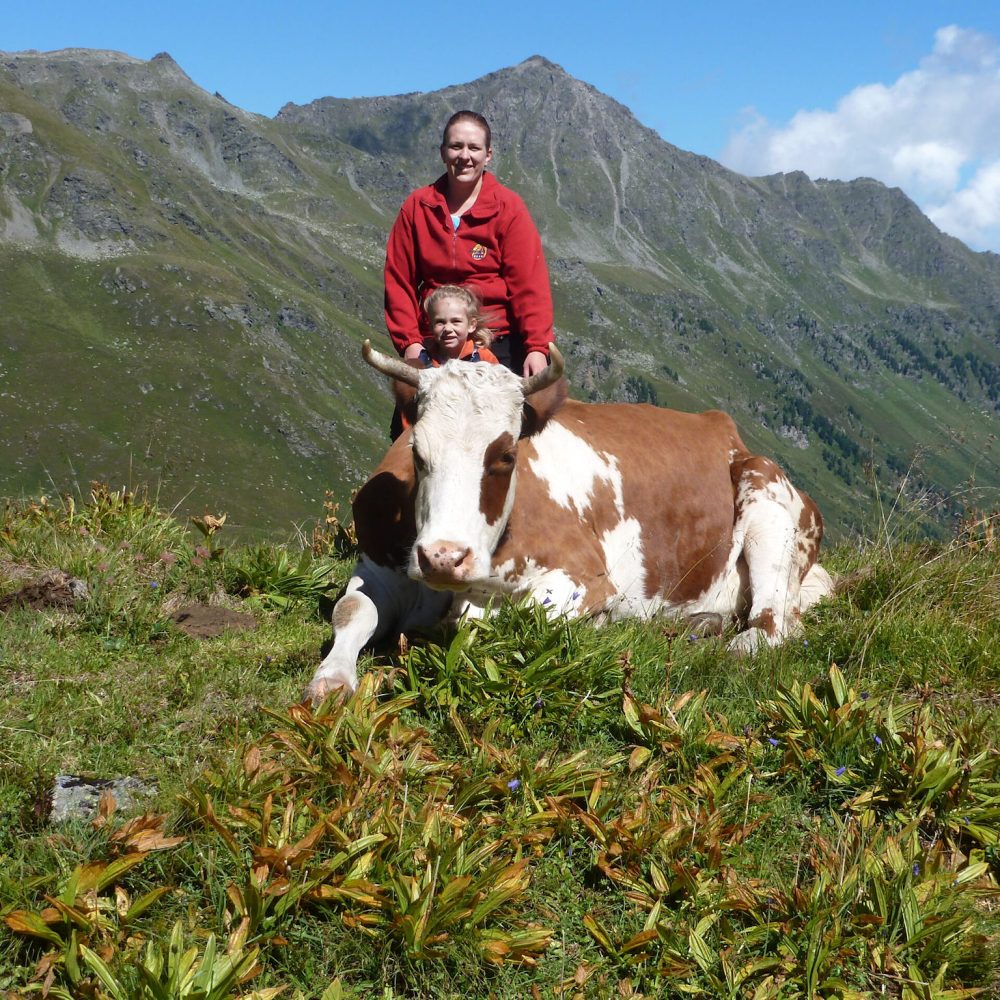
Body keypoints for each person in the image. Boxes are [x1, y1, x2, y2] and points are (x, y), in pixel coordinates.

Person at [384, 110, 554, 381]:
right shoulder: (417, 207)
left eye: (474, 148)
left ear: (488, 155)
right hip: (435, 343)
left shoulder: (508, 208)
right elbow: (398, 282)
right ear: (443, 152)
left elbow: (530, 285)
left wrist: (536, 348)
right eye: (456, 146)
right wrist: (410, 344)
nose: (465, 156)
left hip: (498, 342)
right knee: (410, 424)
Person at [418, 284, 499, 367]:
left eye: (456, 321)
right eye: (440, 322)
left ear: (471, 325)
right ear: (431, 326)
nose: (448, 329)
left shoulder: (484, 358)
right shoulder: (424, 360)